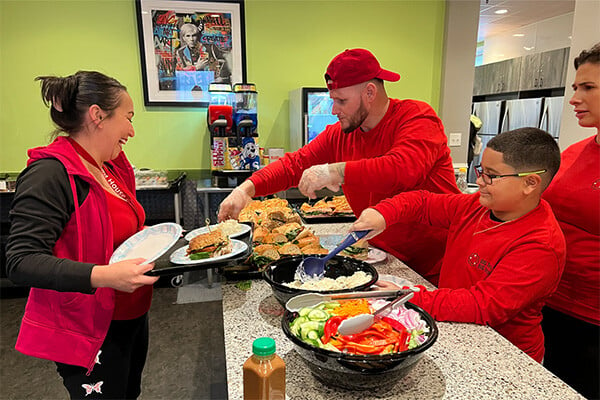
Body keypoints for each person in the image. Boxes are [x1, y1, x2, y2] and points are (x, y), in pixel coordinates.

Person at [218, 48, 460, 284]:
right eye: (333, 100)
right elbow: (295, 164)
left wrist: (335, 171)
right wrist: (246, 189)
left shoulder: (417, 118)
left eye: (342, 101)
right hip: (383, 257)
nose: (334, 110)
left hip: (439, 266)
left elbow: (403, 169)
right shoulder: (341, 134)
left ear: (369, 92)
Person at [351, 127, 565, 363]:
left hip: (505, 355)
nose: (480, 182)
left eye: (491, 176)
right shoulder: (478, 206)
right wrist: (382, 213)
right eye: (481, 171)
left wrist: (407, 296)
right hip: (459, 330)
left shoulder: (540, 245)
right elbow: (422, 202)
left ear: (530, 183)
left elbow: (480, 305)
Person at [6, 71, 159, 399]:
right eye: (128, 118)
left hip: (130, 317)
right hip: (89, 328)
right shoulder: (49, 174)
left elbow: (115, 231)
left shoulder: (108, 166)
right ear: (97, 115)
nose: (131, 131)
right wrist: (105, 276)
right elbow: (21, 261)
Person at [541, 43, 600, 399]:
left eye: (588, 88)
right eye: (575, 87)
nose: (574, 98)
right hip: (550, 302)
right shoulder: (574, 153)